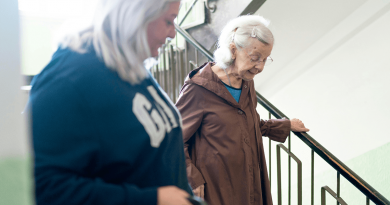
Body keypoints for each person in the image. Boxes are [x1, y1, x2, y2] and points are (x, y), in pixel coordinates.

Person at [29, 0, 194, 204]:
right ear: (136, 15)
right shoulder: (69, 79)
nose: (172, 34)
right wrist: (153, 200)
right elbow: (46, 188)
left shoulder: (129, 67)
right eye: (169, 21)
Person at [175, 15, 309, 205]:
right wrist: (192, 179)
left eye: (265, 59)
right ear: (233, 50)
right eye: (255, 58)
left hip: (249, 183)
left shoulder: (247, 83)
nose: (260, 66)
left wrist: (285, 125)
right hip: (216, 188)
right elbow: (172, 139)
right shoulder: (198, 88)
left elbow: (246, 123)